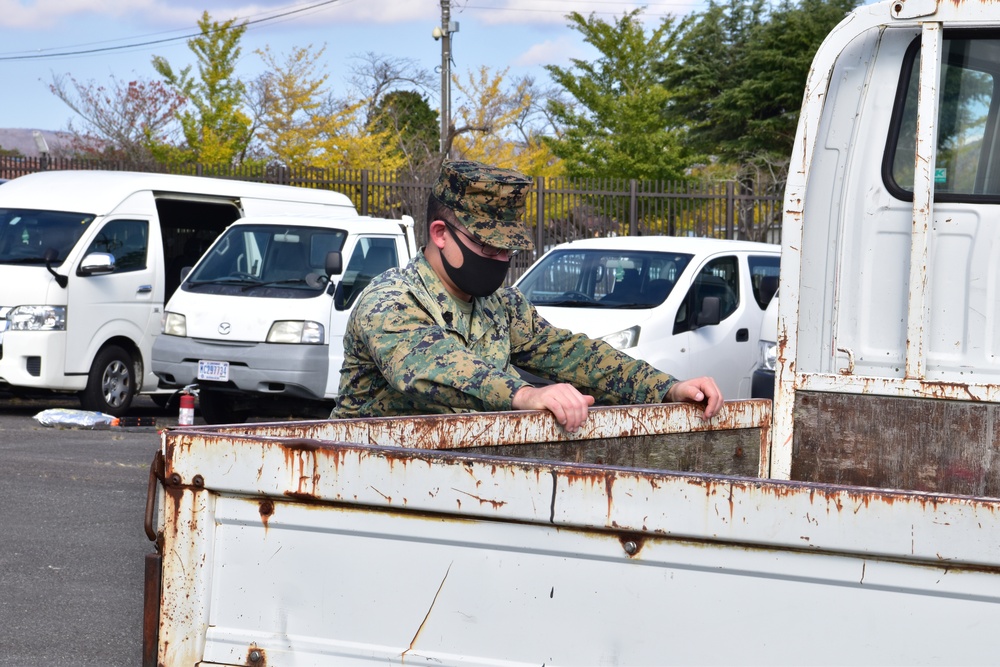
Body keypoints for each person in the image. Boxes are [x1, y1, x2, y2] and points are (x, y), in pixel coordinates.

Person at [330, 160, 722, 432]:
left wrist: (665, 387)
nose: (501, 260)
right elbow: (429, 367)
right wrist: (525, 395)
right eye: (488, 247)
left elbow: (572, 353)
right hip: (349, 485)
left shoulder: (500, 304)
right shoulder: (390, 301)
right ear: (440, 234)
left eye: (508, 249)